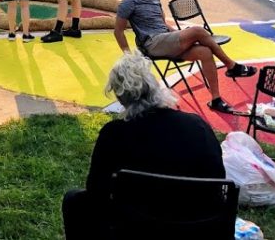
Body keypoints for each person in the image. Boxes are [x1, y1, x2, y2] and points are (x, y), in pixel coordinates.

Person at [61, 52, 225, 238]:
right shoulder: (197, 125)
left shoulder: (113, 134)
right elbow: (218, 179)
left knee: (73, 200)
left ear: (120, 98)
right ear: (155, 87)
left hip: (137, 227)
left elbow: (96, 191)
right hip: (201, 227)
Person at [115, 0, 255, 114]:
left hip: (166, 39)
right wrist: (128, 56)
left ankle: (216, 99)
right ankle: (231, 65)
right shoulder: (129, 2)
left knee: (205, 52)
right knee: (197, 31)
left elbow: (163, 24)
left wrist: (179, 34)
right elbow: (118, 31)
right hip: (152, 44)